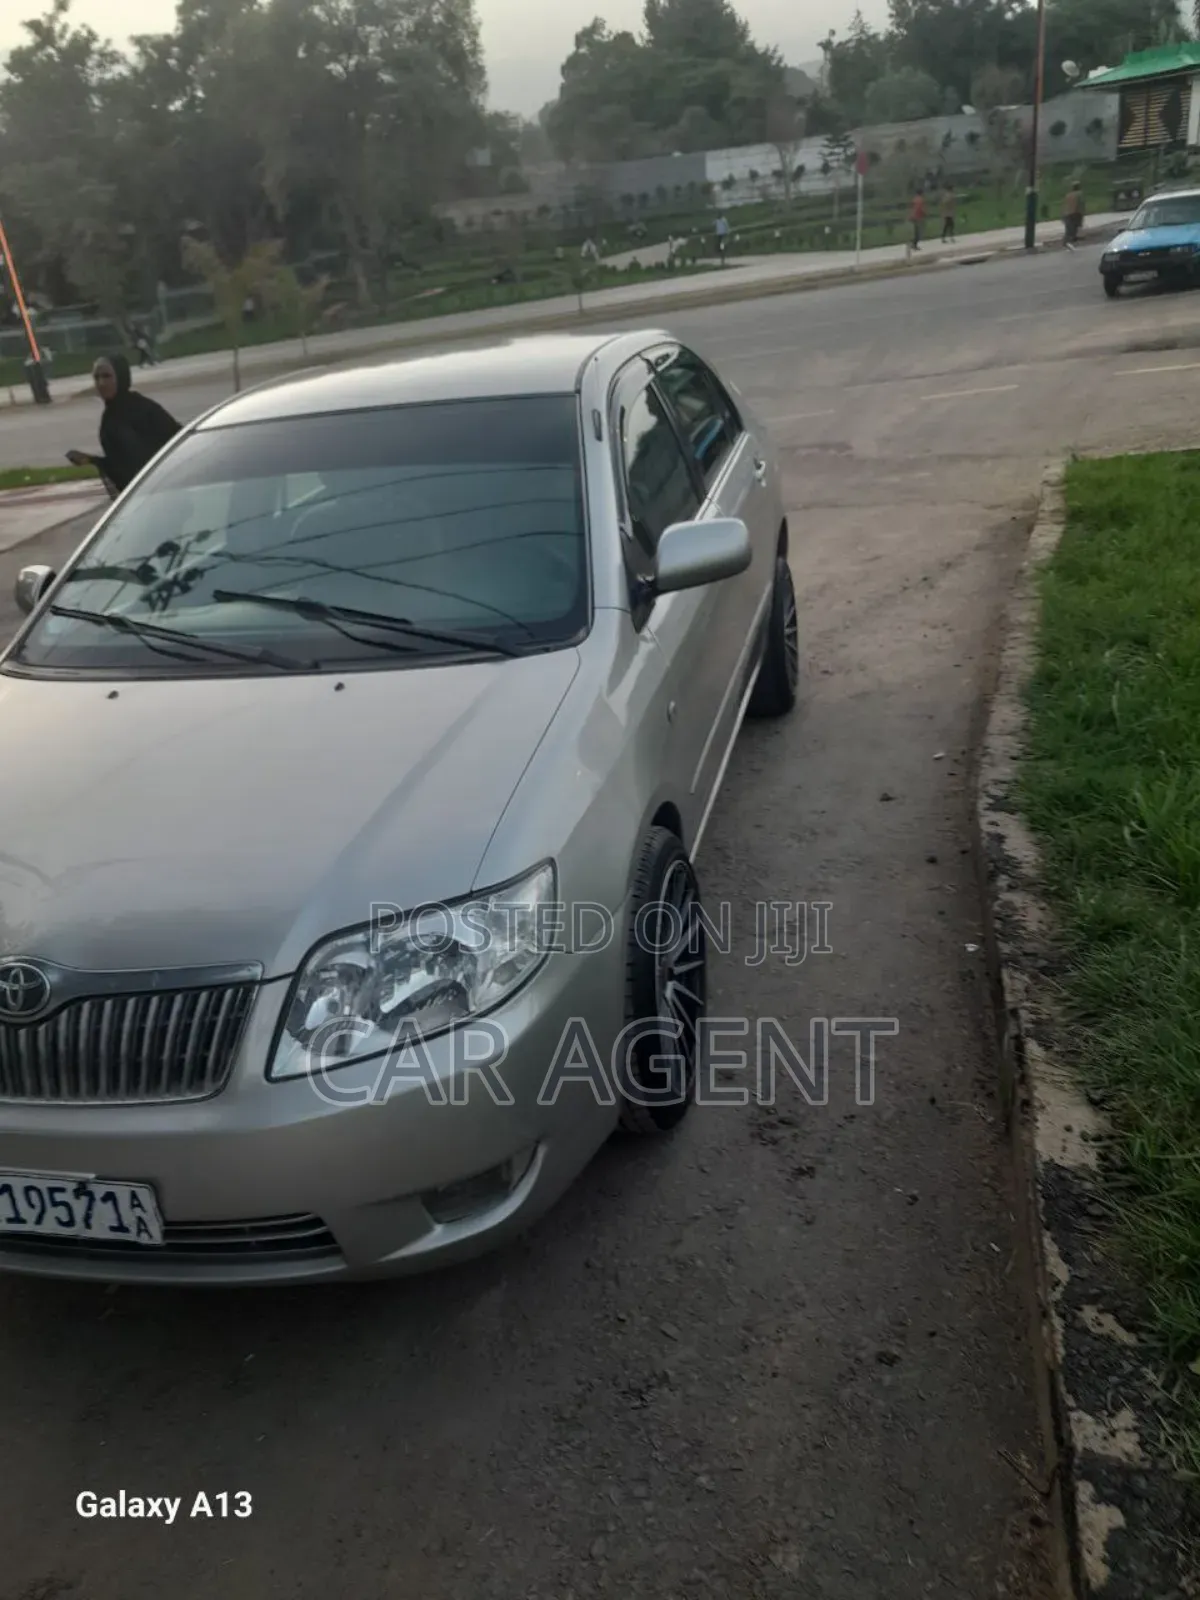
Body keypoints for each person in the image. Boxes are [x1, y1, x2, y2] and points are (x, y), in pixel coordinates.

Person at [66, 353, 182, 500]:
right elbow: (121, 463)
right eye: (97, 378)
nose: (101, 383)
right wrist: (91, 460)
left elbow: (138, 462)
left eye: (107, 376)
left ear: (121, 377)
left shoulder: (141, 409)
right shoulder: (112, 415)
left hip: (161, 491)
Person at [1063, 182, 1085, 250]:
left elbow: (1065, 205)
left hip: (1067, 213)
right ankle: (1070, 241)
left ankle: (1067, 241)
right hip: (1076, 213)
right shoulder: (1080, 194)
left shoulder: (1068, 195)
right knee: (1075, 228)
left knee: (1069, 229)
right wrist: (1082, 213)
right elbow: (1081, 204)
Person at [909, 188, 927, 253]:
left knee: (916, 231)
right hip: (918, 217)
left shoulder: (914, 199)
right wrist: (925, 213)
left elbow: (912, 207)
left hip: (913, 216)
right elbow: (921, 209)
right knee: (918, 233)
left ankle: (913, 244)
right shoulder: (921, 200)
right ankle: (914, 244)